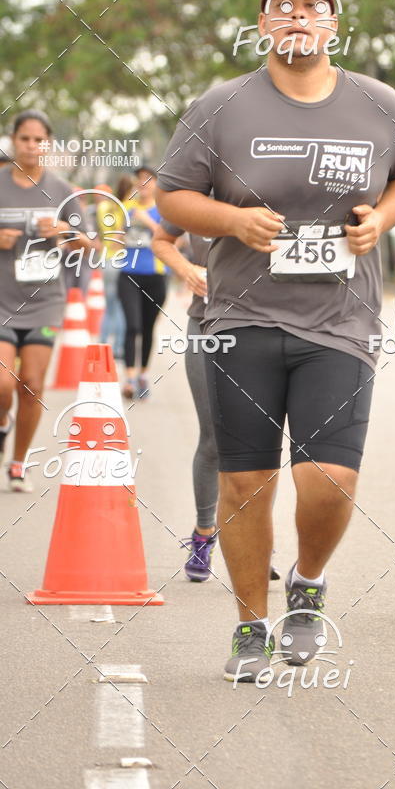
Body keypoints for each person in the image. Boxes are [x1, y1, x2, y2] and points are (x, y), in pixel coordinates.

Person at [156, 0, 395, 682]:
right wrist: (233, 220)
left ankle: (307, 583)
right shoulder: (221, 106)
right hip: (240, 321)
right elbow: (172, 199)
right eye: (286, 6)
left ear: (334, 25)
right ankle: (251, 622)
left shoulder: (378, 104)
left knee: (328, 480)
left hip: (339, 324)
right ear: (263, 25)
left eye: (315, 7)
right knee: (246, 485)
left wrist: (385, 217)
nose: (300, 17)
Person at [151, 223, 282, 584]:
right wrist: (187, 270)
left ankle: (260, 541)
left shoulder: (270, 190)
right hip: (207, 322)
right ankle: (203, 533)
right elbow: (162, 241)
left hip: (263, 325)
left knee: (260, 443)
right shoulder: (200, 194)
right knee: (213, 436)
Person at [0, 109, 94, 491]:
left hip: (44, 301)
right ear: (13, 140)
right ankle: (3, 420)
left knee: (33, 383)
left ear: (48, 144)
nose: (32, 146)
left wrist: (63, 232)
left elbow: (89, 247)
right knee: (3, 385)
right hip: (2, 301)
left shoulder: (61, 190)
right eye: (25, 138)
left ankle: (19, 461)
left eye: (39, 140)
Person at [117, 169, 167, 399]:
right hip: (128, 274)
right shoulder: (127, 208)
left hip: (155, 275)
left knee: (147, 328)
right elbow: (116, 237)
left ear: (157, 184)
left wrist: (148, 221)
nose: (143, 184)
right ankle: (128, 379)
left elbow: (171, 239)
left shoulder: (164, 210)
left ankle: (143, 375)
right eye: (140, 180)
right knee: (133, 326)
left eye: (149, 180)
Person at [97, 179, 127, 360]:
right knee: (121, 306)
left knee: (109, 306)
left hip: (106, 259)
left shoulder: (103, 209)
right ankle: (118, 347)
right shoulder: (126, 209)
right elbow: (122, 234)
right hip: (121, 259)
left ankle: (102, 343)